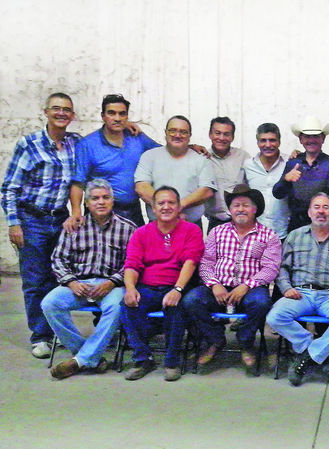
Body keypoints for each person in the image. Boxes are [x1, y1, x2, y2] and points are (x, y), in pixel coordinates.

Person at [1, 92, 82, 358]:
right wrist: (14, 224)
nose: (61, 113)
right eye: (56, 108)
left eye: (67, 109)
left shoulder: (75, 143)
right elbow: (9, 188)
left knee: (58, 277)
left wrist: (131, 127)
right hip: (31, 219)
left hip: (59, 218)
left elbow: (103, 140)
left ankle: (55, 329)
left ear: (72, 115)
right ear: (46, 112)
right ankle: (40, 336)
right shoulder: (29, 144)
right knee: (35, 279)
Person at [41, 179, 136, 378]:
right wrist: (71, 282)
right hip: (78, 284)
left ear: (112, 201)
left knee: (117, 307)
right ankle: (87, 356)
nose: (101, 202)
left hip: (111, 285)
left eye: (105, 197)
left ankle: (80, 360)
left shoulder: (128, 228)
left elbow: (132, 263)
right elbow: (58, 259)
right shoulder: (74, 226)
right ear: (87, 203)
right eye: (95, 198)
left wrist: (112, 282)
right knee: (50, 304)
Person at [266, 193, 329, 386]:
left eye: (326, 207)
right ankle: (315, 349)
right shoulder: (295, 236)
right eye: (316, 207)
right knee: (274, 317)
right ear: (309, 212)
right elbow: (282, 267)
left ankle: (306, 356)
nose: (321, 211)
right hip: (301, 294)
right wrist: (286, 288)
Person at [184, 184, 281, 368]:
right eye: (236, 205)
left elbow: (270, 269)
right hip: (218, 287)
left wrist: (246, 286)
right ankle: (215, 339)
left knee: (261, 303)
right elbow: (206, 263)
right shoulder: (216, 232)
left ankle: (245, 342)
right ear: (230, 209)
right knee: (191, 300)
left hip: (250, 289)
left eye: (246, 205)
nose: (240, 209)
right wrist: (214, 284)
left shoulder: (269, 235)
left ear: (255, 209)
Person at [120, 186, 204, 382]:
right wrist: (130, 289)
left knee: (176, 306)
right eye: (161, 203)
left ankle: (171, 362)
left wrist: (177, 289)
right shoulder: (141, 233)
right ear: (153, 208)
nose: (166, 207)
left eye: (171, 203)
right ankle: (143, 359)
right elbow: (132, 264)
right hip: (147, 287)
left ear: (179, 206)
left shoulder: (192, 230)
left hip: (177, 285)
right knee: (128, 305)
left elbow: (190, 262)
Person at [68, 94, 159, 228]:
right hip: (101, 212)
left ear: (127, 117)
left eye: (122, 114)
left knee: (138, 242)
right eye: (111, 113)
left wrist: (187, 147)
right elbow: (78, 183)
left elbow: (163, 153)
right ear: (103, 116)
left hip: (133, 210)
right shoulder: (87, 145)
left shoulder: (137, 137)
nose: (117, 118)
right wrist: (76, 211)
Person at [134, 115, 216, 228]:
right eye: (173, 131)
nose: (177, 135)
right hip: (156, 226)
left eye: (183, 132)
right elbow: (142, 188)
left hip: (191, 226)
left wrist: (177, 206)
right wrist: (169, 208)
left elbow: (207, 191)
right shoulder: (149, 156)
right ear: (166, 133)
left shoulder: (202, 159)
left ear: (190, 135)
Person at [272, 116, 329, 231]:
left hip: (324, 227)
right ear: (300, 139)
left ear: (323, 138)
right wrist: (285, 180)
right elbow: (277, 194)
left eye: (316, 136)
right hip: (296, 228)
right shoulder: (293, 163)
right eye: (307, 136)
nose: (311, 140)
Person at [244, 123, 291, 240]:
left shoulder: (290, 163)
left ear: (279, 142)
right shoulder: (248, 165)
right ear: (257, 142)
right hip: (255, 233)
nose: (268, 145)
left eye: (272, 140)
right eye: (263, 140)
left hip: (284, 232)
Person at [204, 117, 249, 232]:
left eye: (226, 134)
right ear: (210, 134)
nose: (221, 138)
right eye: (217, 133)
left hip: (241, 222)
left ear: (232, 137)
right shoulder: (202, 158)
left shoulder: (243, 157)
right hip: (215, 222)